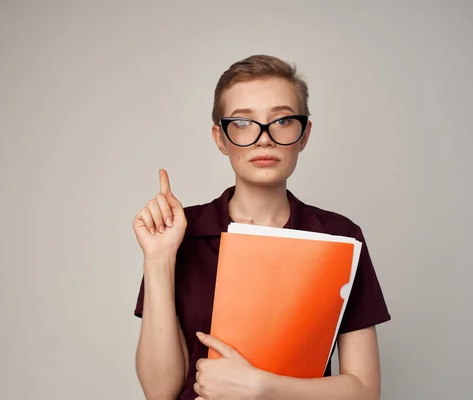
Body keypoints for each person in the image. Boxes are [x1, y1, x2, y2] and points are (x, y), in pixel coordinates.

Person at [132, 55, 391, 400]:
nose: (264, 138)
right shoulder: (178, 233)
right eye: (242, 122)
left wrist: (263, 387)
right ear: (220, 138)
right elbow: (159, 392)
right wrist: (158, 259)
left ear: (304, 134)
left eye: (282, 120)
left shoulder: (340, 236)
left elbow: (364, 391)